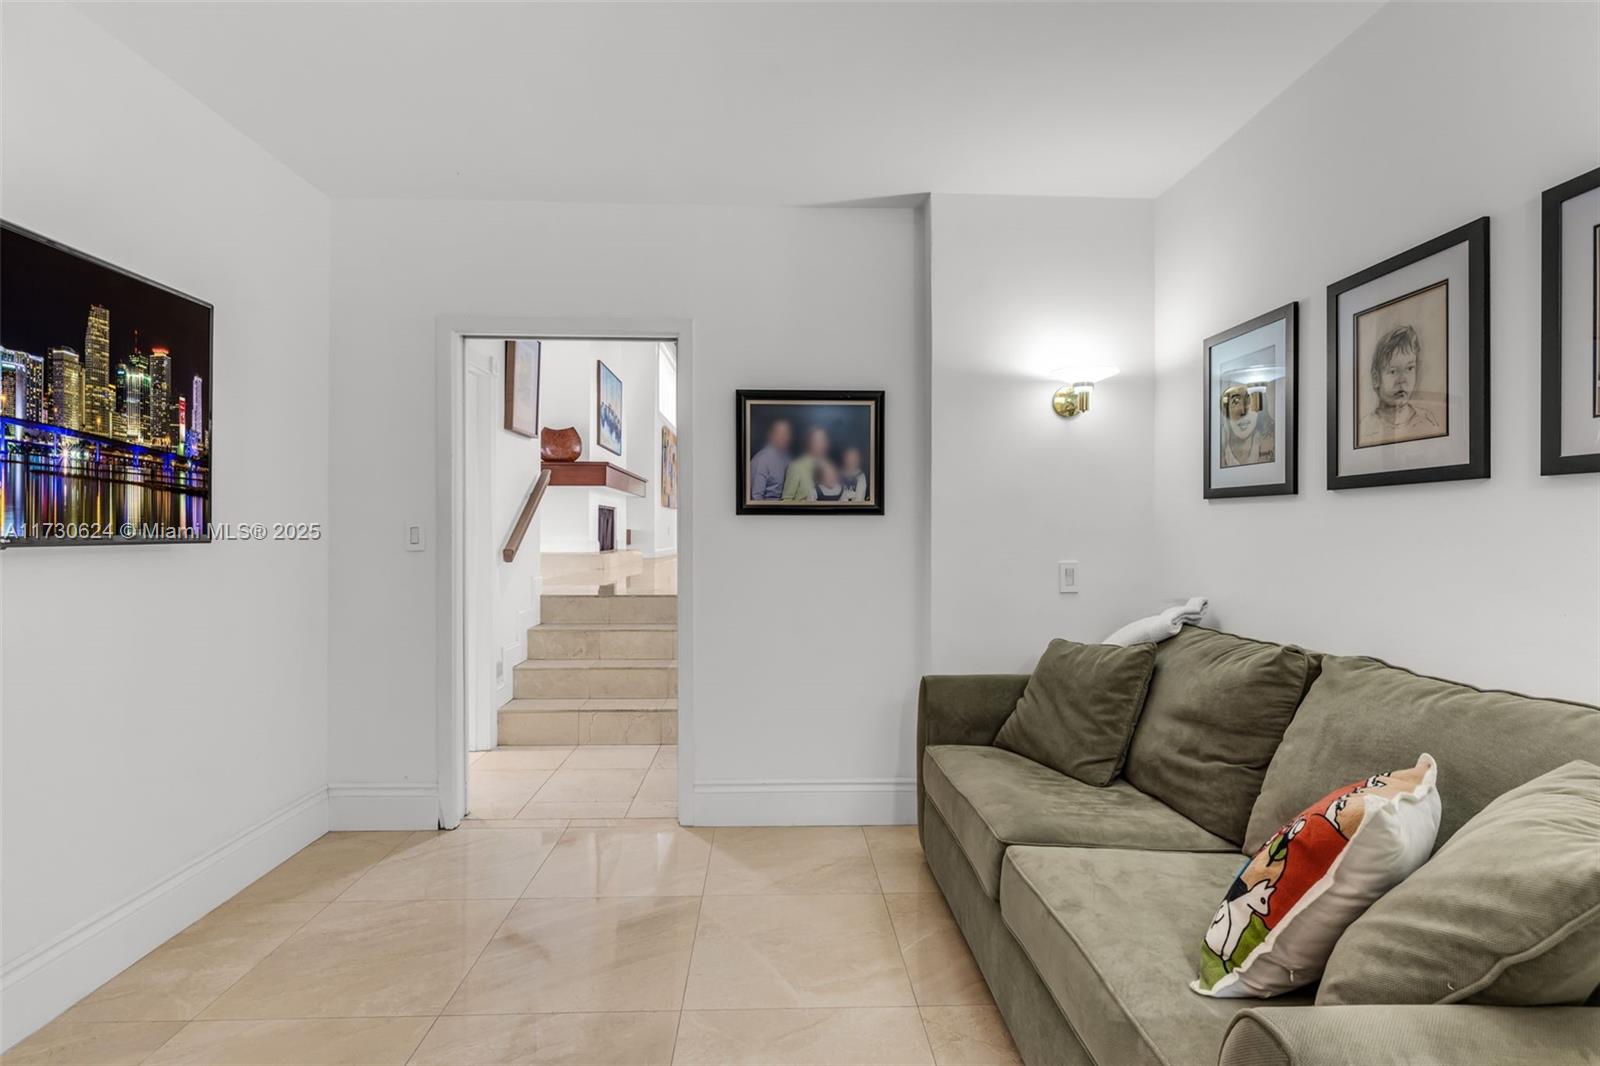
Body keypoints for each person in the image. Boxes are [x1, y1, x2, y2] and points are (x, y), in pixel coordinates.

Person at [1358, 325, 1442, 445]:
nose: (1402, 380)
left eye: (1409, 368)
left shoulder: (1427, 420)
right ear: (1376, 378)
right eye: (1393, 371)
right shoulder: (1366, 428)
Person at [1219, 385, 1274, 467]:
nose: (1243, 411)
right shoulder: (1218, 452)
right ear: (1225, 410)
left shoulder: (1273, 446)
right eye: (1235, 402)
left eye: (1249, 400)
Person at [781, 426, 830, 501]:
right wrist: (803, 502)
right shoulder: (796, 467)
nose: (822, 444)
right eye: (817, 440)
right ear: (808, 442)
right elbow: (786, 500)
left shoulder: (829, 467)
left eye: (823, 440)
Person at [748, 418, 792, 500]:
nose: (785, 437)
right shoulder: (762, 460)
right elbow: (756, 497)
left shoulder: (788, 457)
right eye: (780, 433)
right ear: (771, 435)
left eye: (787, 433)